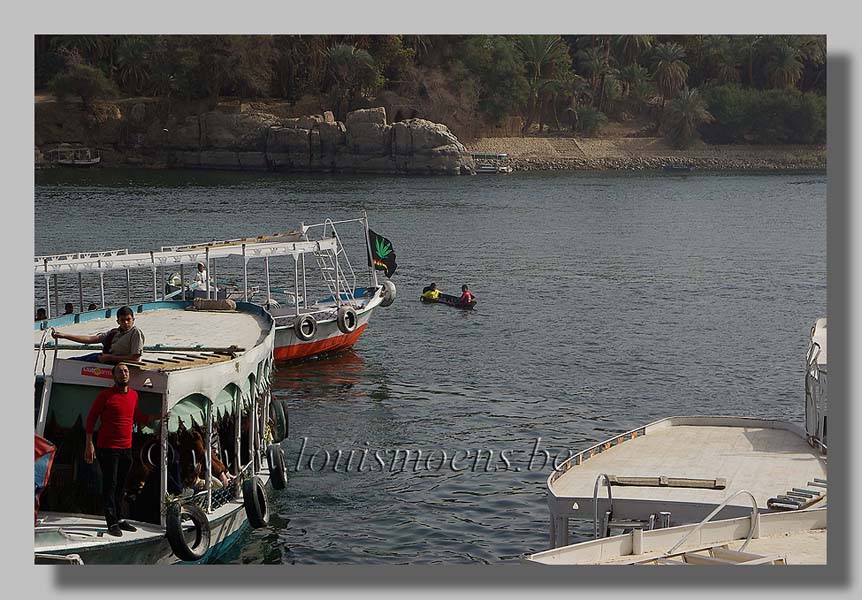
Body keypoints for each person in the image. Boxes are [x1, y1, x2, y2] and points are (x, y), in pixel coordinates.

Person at [85, 362, 150, 536]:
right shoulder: (105, 396)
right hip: (107, 447)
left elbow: (136, 416)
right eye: (120, 371)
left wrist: (157, 417)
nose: (123, 373)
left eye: (126, 371)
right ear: (114, 377)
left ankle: (120, 518)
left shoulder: (134, 395)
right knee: (110, 484)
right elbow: (91, 419)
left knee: (122, 484)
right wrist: (89, 444)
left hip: (126, 448)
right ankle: (111, 521)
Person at [51, 305, 145, 364]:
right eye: (122, 320)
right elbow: (91, 339)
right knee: (71, 361)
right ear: (118, 321)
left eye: (128, 319)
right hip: (105, 357)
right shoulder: (115, 332)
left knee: (77, 364)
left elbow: (135, 358)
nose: (126, 323)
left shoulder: (135, 333)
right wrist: (64, 335)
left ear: (133, 320)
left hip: (116, 363)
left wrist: (110, 358)